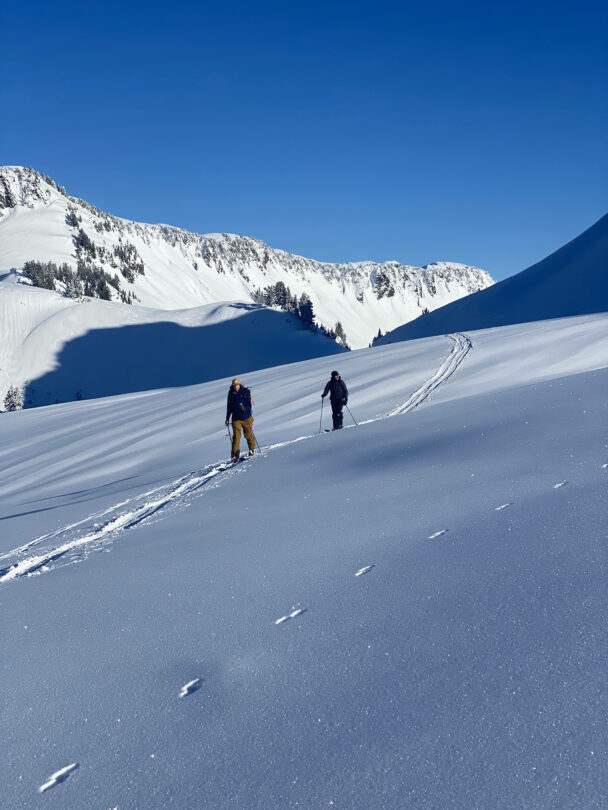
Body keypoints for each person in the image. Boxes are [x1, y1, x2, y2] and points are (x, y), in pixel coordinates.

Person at [225, 378, 256, 461]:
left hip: (246, 417)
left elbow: (249, 405)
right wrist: (227, 418)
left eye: (237, 385)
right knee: (236, 436)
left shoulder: (245, 392)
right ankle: (235, 455)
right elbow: (229, 408)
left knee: (248, 433)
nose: (236, 387)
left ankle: (251, 449)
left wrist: (245, 408)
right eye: (234, 385)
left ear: (240, 384)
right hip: (236, 418)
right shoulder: (230, 394)